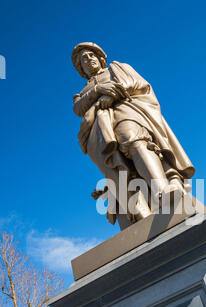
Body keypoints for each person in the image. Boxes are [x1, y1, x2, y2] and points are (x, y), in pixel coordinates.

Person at [72, 42, 195, 228]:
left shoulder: (117, 68)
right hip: (99, 133)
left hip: (126, 108)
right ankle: (139, 210)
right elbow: (78, 108)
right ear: (81, 68)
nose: (88, 60)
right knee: (118, 169)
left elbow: (139, 84)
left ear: (100, 57)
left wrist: (113, 94)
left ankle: (161, 190)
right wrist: (98, 90)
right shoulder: (82, 93)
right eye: (83, 60)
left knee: (133, 139)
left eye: (91, 56)